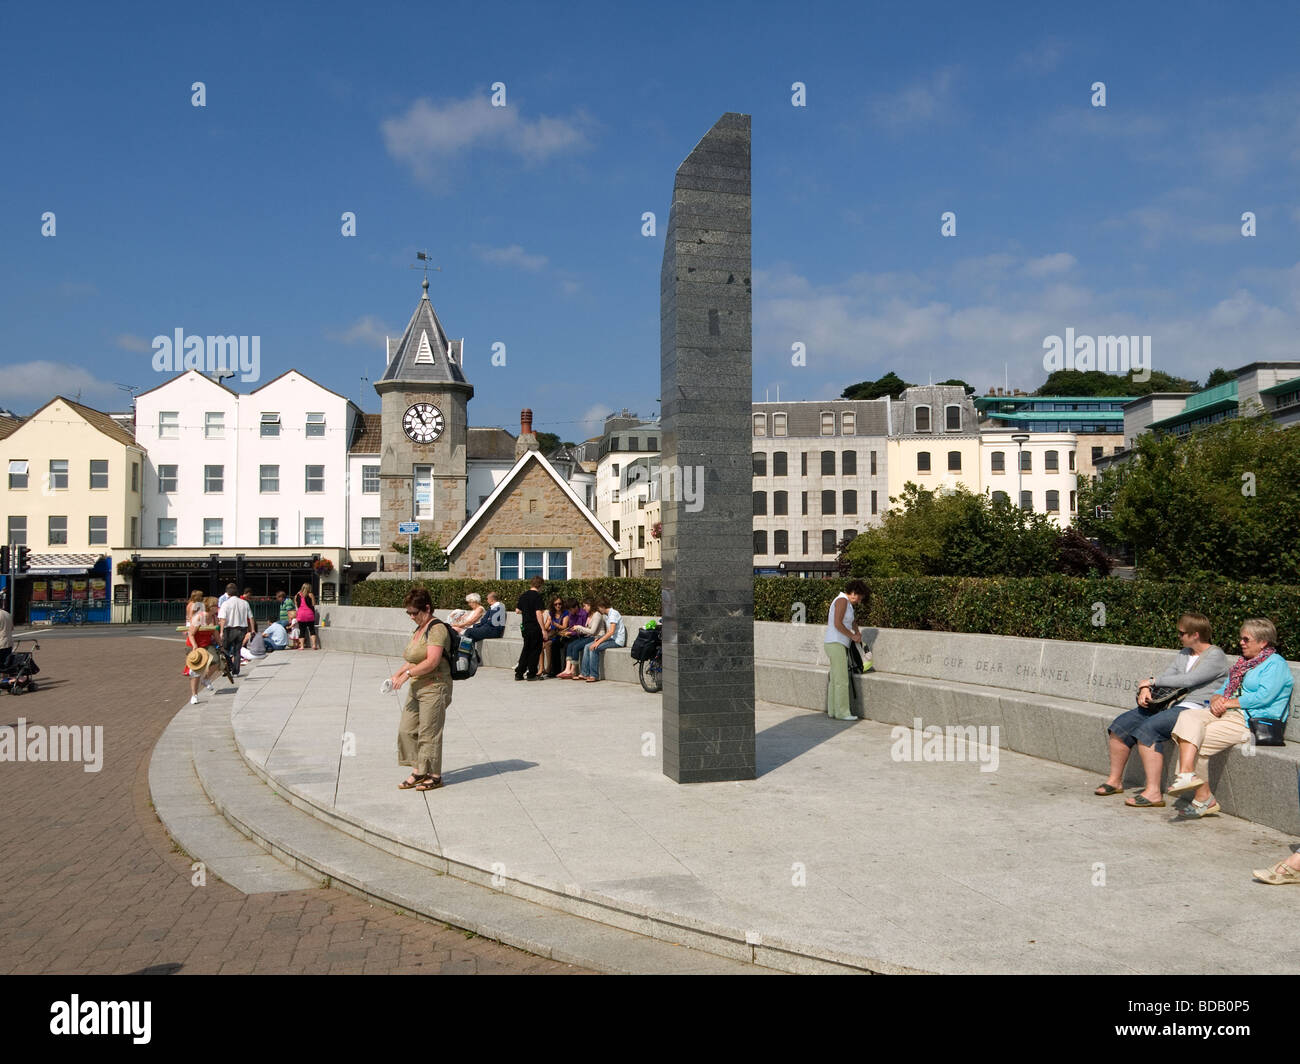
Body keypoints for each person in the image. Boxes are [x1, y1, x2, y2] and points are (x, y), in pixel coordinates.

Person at [1093, 613, 1228, 807]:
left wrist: (1152, 681)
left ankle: (1154, 792)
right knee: (1121, 725)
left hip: (1195, 707)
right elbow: (1168, 677)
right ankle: (1115, 780)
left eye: (1182, 633)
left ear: (1195, 635)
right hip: (1169, 704)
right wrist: (1146, 688)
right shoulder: (1184, 653)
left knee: (1149, 729)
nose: (1179, 636)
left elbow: (1191, 680)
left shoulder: (1215, 655)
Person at [1169, 618, 1294, 819]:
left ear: (1263, 642)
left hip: (1252, 721)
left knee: (1195, 740)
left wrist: (1228, 703)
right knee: (1187, 717)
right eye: (1241, 638)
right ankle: (1186, 774)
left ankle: (1203, 797)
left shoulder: (1275, 664)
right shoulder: (1243, 664)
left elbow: (1264, 697)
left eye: (1246, 639)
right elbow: (1224, 688)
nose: (1241, 643)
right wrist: (1217, 697)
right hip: (1228, 714)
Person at [391, 587, 453, 792]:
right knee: (406, 730)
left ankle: (434, 776)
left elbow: (432, 661)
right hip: (417, 685)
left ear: (426, 608)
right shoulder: (419, 629)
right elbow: (414, 659)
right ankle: (419, 770)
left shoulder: (436, 629)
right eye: (408, 612)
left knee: (429, 733)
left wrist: (407, 675)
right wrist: (398, 674)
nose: (411, 617)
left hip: (435, 686)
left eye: (414, 613)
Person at [824, 580, 869, 721]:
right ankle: (843, 713)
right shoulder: (842, 601)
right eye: (860, 597)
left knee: (835, 678)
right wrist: (853, 636)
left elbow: (851, 621)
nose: (860, 601)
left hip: (835, 643)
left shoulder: (847, 603)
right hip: (836, 642)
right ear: (854, 593)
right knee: (842, 680)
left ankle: (833, 711)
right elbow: (838, 623)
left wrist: (857, 632)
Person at [579, 597, 626, 682]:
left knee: (594, 648)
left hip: (617, 641)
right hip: (611, 639)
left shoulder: (613, 614)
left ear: (602, 606)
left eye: (599, 608)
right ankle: (585, 673)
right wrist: (599, 639)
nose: (599, 610)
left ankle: (594, 675)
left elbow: (611, 632)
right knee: (587, 646)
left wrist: (598, 643)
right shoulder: (607, 615)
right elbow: (608, 632)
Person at [186, 597, 223, 703]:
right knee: (196, 670)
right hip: (195, 644)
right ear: (211, 607)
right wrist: (194, 646)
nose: (218, 608)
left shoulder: (214, 618)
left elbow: (215, 633)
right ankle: (194, 695)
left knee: (216, 660)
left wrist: (221, 644)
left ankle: (206, 678)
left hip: (207, 644)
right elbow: (191, 634)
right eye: (216, 606)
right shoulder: (199, 617)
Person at [557, 599, 602, 679]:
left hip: (593, 637)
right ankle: (568, 669)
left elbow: (592, 631)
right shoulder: (588, 615)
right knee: (570, 645)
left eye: (585, 606)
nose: (584, 608)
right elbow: (574, 627)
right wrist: (571, 631)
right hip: (585, 635)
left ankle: (573, 671)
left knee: (576, 647)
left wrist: (577, 628)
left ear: (590, 605)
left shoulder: (593, 615)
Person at [514, 576, 546, 681]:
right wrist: (543, 629)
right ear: (540, 585)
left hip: (525, 626)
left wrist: (527, 612)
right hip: (535, 627)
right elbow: (538, 613)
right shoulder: (537, 596)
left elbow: (517, 610)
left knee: (526, 649)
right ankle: (531, 673)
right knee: (535, 650)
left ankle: (519, 673)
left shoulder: (523, 595)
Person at [218, 583, 252, 676]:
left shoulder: (225, 603)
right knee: (237, 650)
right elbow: (251, 617)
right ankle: (236, 671)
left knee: (224, 649)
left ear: (228, 594)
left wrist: (221, 632)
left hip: (229, 629)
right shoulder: (244, 603)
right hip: (242, 629)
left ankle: (230, 666)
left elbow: (222, 619)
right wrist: (251, 629)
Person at [295, 583, 319, 650]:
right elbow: (313, 604)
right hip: (309, 615)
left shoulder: (297, 595)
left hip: (301, 615)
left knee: (302, 631)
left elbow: (296, 605)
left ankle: (302, 646)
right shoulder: (310, 594)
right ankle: (314, 645)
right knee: (312, 630)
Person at [0, 601, 13, 671]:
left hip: (0, 644)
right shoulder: (7, 614)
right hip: (8, 643)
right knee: (6, 666)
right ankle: (4, 680)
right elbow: (11, 628)